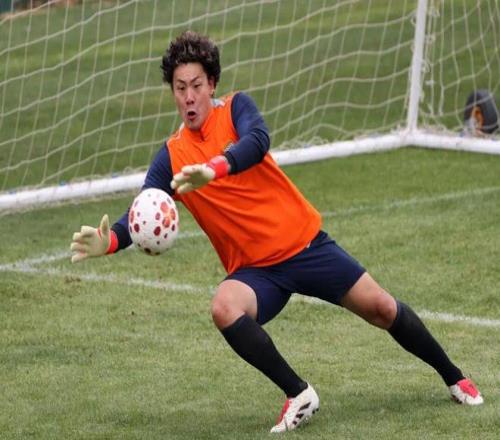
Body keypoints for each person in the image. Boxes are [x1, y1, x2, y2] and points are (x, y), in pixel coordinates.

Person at [70, 31, 483, 433]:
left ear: (211, 84)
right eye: (180, 88)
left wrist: (214, 168)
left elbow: (258, 140)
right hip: (256, 273)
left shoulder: (236, 109)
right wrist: (110, 241)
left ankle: (454, 377)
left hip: (304, 246)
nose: (189, 96)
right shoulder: (172, 155)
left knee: (382, 309)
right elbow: (145, 209)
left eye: (196, 85)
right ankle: (299, 393)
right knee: (224, 307)